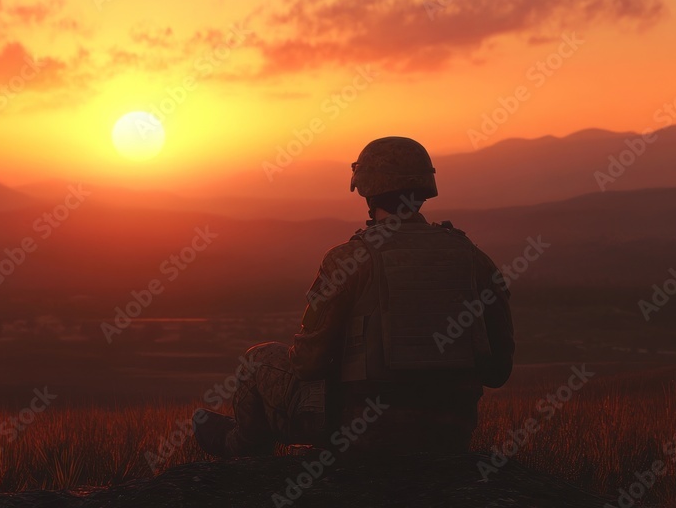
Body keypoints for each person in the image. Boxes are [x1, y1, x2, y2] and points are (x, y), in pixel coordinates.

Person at [194, 137, 515, 457]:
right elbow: (498, 371)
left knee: (257, 359)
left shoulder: (348, 259)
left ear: (367, 191)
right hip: (451, 435)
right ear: (425, 188)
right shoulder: (473, 258)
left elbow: (307, 363)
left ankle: (240, 448)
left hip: (364, 434)